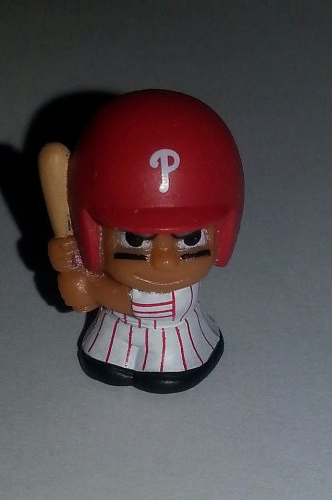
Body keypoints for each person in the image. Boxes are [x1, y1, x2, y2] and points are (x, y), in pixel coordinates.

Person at [43, 89, 244, 393]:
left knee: (164, 369)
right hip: (113, 329)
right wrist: (73, 259)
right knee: (105, 355)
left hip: (175, 343)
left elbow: (144, 305)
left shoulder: (178, 295)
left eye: (190, 239)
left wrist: (88, 286)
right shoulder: (101, 259)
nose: (164, 261)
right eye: (134, 239)